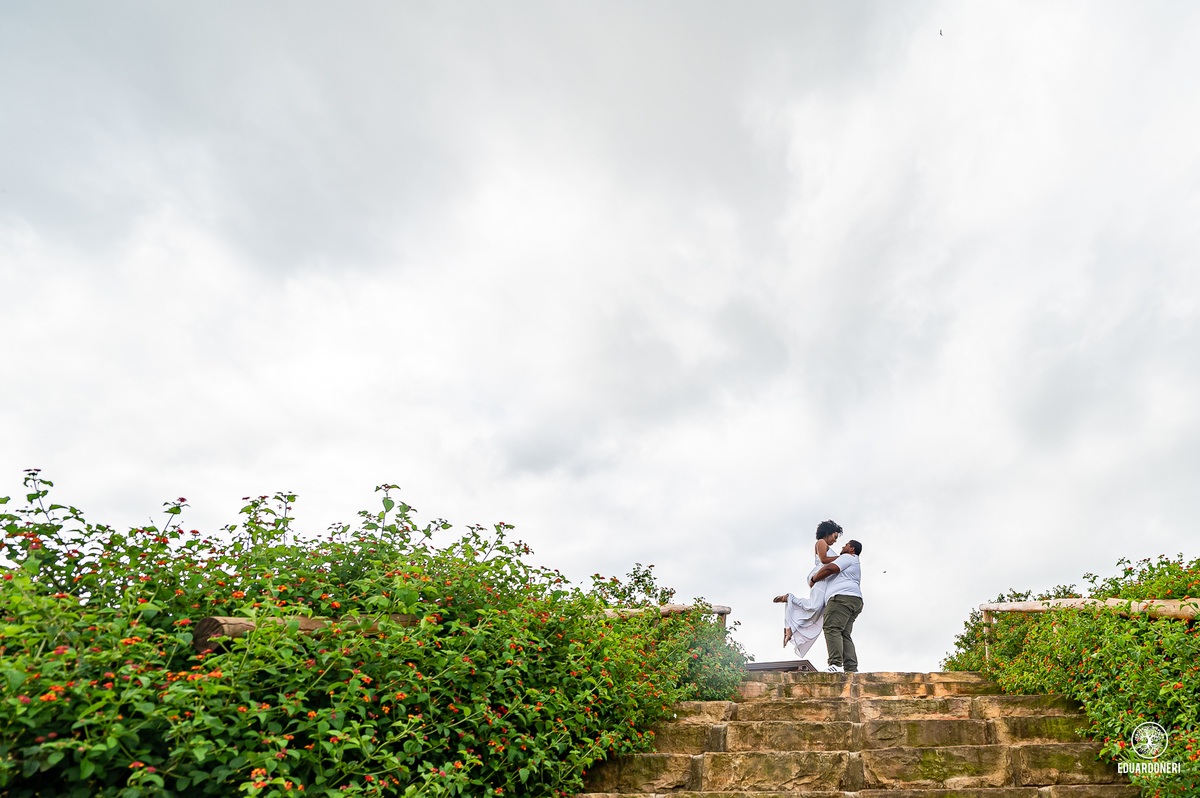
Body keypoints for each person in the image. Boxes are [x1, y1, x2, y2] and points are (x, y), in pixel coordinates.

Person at [772, 520, 843, 658]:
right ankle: (790, 598)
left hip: (826, 580)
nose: (835, 541)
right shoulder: (821, 542)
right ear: (828, 533)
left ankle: (791, 629)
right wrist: (843, 558)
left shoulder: (827, 545)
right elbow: (823, 560)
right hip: (820, 578)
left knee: (818, 613)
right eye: (834, 537)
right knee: (815, 606)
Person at [807, 539, 863, 673]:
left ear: (852, 549)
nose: (843, 546)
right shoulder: (853, 560)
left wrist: (814, 579)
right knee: (844, 633)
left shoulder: (848, 557)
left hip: (842, 598)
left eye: (846, 545)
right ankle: (851, 669)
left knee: (831, 627)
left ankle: (835, 664)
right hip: (854, 600)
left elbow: (830, 568)